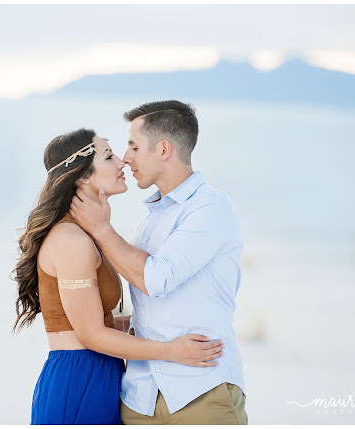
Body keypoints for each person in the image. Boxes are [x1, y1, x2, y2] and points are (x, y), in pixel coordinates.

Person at [12, 128, 226, 425]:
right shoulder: (70, 240)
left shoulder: (86, 233)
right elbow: (90, 335)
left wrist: (155, 324)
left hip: (101, 376)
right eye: (109, 156)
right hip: (79, 380)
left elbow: (99, 321)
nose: (122, 163)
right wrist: (171, 351)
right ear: (82, 176)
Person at [69, 101, 248, 424]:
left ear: (163, 149)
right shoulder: (149, 222)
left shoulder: (210, 208)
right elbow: (148, 313)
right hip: (138, 400)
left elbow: (157, 279)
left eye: (134, 146)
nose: (126, 157)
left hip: (200, 391)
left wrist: (100, 229)